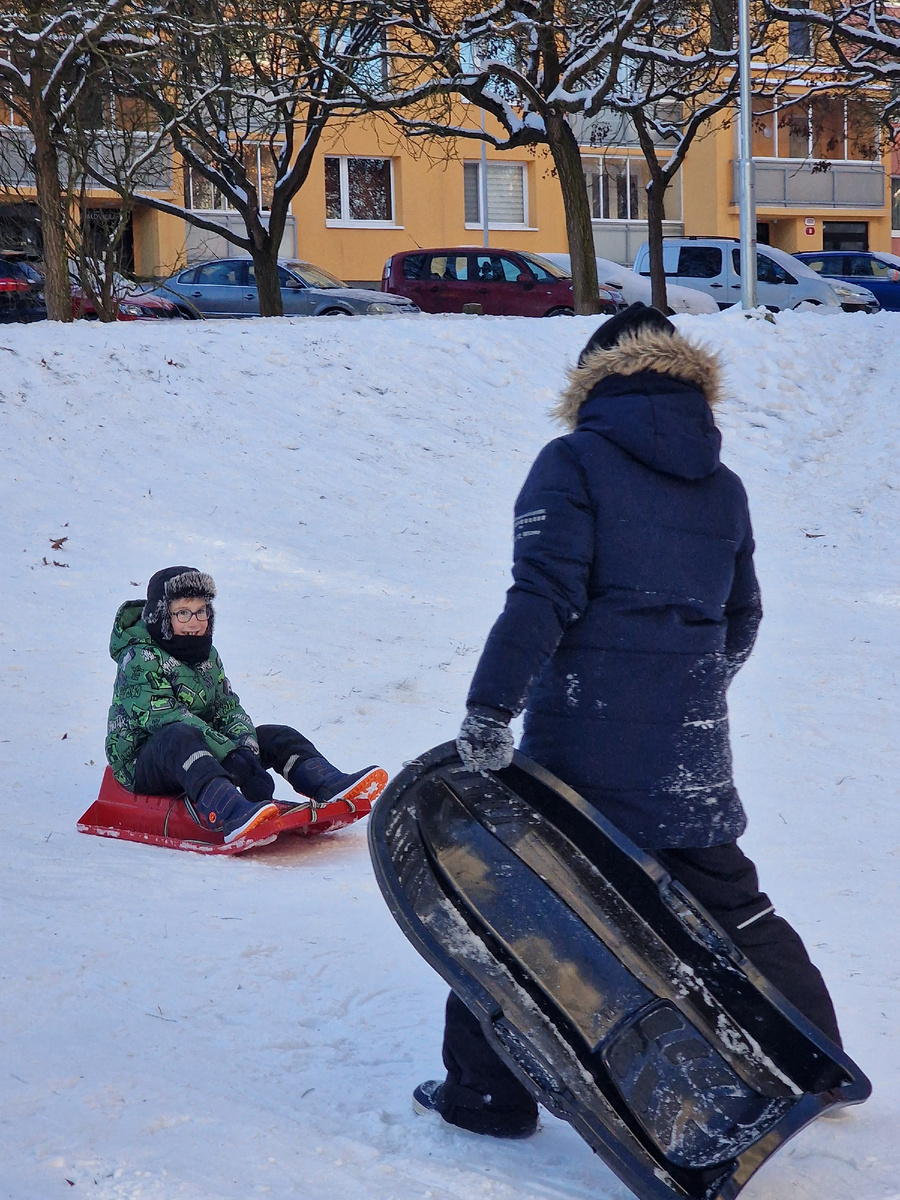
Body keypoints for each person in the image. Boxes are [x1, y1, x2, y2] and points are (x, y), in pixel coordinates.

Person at [412, 303, 842, 1138]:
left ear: (593, 379)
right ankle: (819, 1058)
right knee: (733, 905)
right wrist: (686, 693)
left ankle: (487, 1094)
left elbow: (543, 596)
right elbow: (742, 617)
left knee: (515, 907)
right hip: (691, 751)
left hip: (585, 747)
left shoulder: (572, 462)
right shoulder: (724, 485)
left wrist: (489, 708)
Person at [105, 565, 384, 844]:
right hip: (145, 760)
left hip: (205, 747)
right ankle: (231, 813)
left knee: (275, 735)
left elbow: (227, 707)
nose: (194, 621)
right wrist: (230, 756)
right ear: (162, 616)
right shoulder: (139, 657)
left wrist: (246, 751)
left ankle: (329, 784)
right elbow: (164, 717)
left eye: (201, 611)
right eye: (183, 613)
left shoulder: (206, 654)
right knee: (179, 737)